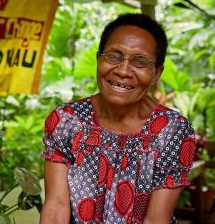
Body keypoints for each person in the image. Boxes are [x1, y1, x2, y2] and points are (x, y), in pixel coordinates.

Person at [40, 13, 196, 224]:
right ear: (98, 59)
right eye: (114, 56)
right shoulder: (66, 121)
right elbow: (56, 207)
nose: (123, 71)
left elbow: (156, 220)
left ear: (156, 73)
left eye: (139, 62)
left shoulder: (171, 130)